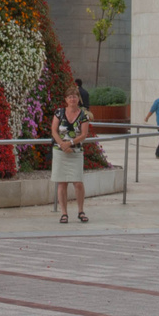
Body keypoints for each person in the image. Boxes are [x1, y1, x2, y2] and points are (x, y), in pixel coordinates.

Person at [50, 86, 92, 224]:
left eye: (74, 96)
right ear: (66, 100)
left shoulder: (83, 115)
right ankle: (64, 213)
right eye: (70, 97)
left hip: (76, 152)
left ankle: (80, 211)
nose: (72, 99)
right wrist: (62, 144)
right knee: (62, 183)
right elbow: (54, 131)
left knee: (78, 182)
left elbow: (84, 134)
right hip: (60, 151)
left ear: (78, 99)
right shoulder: (59, 112)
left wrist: (71, 143)